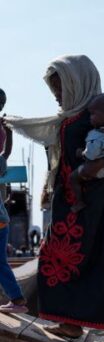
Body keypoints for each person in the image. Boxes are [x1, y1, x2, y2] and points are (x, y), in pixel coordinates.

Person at [4, 55, 104, 342]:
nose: (57, 95)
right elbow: (57, 155)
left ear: (76, 83)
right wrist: (49, 186)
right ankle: (70, 323)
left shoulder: (101, 110)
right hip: (71, 204)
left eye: (60, 87)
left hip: (103, 204)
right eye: (54, 89)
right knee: (57, 258)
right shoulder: (67, 117)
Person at [0, 89, 28, 314]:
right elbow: (6, 153)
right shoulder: (0, 162)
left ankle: (18, 301)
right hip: (2, 221)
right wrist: (8, 133)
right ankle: (17, 300)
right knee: (0, 263)